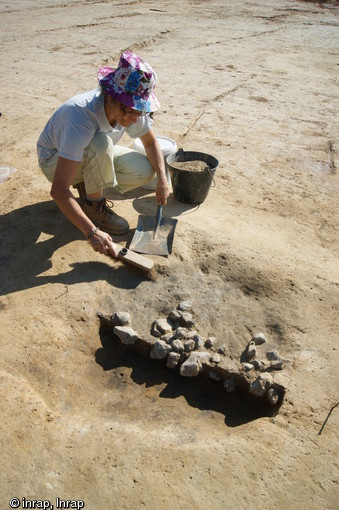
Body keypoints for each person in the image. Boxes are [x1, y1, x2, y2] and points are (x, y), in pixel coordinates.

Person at [37, 51, 170, 258]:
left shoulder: (132, 109)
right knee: (100, 142)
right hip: (55, 161)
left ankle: (89, 186)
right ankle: (94, 207)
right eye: (131, 111)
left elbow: (151, 142)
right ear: (113, 96)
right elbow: (58, 189)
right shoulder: (81, 116)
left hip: (88, 154)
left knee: (145, 171)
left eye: (140, 111)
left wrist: (162, 179)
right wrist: (91, 232)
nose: (135, 119)